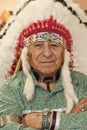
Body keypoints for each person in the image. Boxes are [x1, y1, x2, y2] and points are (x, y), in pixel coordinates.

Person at [0, 0, 87, 129]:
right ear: (27, 54)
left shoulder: (82, 83)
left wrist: (46, 121)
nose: (47, 53)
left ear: (64, 53)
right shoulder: (10, 88)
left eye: (54, 45)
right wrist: (70, 119)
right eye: (38, 46)